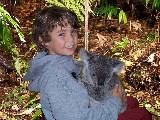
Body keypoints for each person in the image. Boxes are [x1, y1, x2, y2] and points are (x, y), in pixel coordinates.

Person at [23, 6, 152, 120]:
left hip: (83, 106)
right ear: (44, 40)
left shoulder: (61, 61)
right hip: (83, 115)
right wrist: (115, 102)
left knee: (132, 102)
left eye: (73, 31)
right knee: (142, 114)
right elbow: (78, 117)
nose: (71, 39)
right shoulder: (57, 76)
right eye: (62, 34)